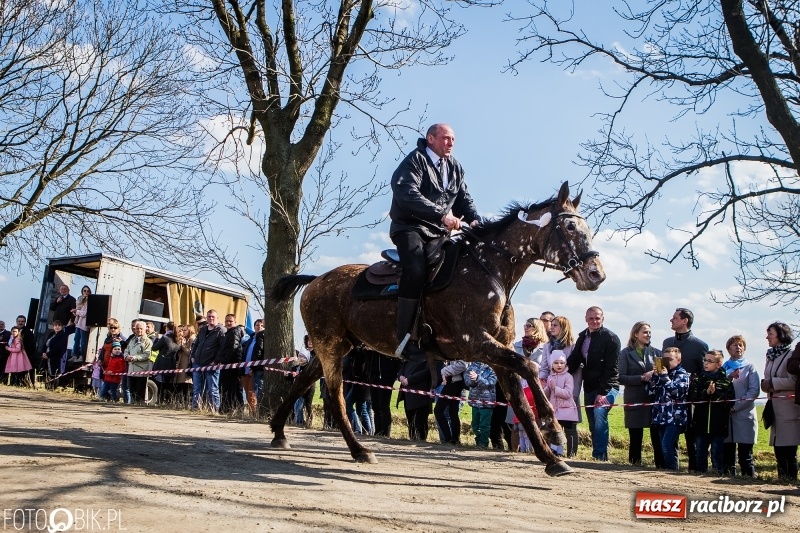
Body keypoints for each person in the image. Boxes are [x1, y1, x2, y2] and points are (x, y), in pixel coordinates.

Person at [389, 123, 480, 362]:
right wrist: (441, 214)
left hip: (439, 234)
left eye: (453, 139)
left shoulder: (455, 167)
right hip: (410, 228)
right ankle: (404, 339)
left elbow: (463, 199)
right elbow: (407, 194)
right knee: (416, 269)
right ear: (430, 139)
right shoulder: (414, 161)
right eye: (446, 138)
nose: (451, 143)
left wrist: (475, 220)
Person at [567, 306, 620, 461]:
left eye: (598, 318)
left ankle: (600, 456)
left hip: (608, 387)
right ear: (586, 319)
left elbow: (612, 368)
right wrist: (559, 373)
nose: (595, 321)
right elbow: (575, 359)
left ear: (603, 319)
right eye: (591, 318)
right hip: (589, 386)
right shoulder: (582, 337)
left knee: (599, 414)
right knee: (592, 423)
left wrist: (602, 392)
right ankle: (597, 455)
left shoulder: (611, 338)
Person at [662, 307, 709, 471]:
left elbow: (705, 372)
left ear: (684, 321)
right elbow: (662, 366)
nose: (671, 320)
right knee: (668, 439)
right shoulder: (667, 343)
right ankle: (670, 468)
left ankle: (695, 470)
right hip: (667, 400)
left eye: (674, 318)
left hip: (689, 400)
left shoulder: (699, 345)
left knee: (692, 438)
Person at [618, 321, 663, 466]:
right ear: (636, 334)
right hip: (634, 398)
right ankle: (634, 465)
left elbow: (662, 374)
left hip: (653, 399)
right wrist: (641, 378)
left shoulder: (657, 353)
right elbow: (620, 377)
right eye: (645, 332)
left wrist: (654, 372)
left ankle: (660, 465)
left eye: (649, 332)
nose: (648, 335)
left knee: (657, 437)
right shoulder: (625, 353)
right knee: (635, 437)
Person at [761, 321, 800, 480]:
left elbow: (794, 381)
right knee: (778, 448)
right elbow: (768, 380)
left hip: (788, 409)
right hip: (774, 408)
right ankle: (782, 479)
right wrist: (765, 385)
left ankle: (790, 480)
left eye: (770, 333)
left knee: (789, 449)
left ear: (780, 335)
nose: (767, 337)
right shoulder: (770, 355)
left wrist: (772, 384)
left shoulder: (791, 356)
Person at [689, 349, 735, 473]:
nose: (706, 363)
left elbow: (730, 402)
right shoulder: (698, 380)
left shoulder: (725, 382)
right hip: (700, 425)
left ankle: (718, 474)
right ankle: (700, 477)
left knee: (717, 454)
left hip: (718, 427)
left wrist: (715, 394)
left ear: (719, 364)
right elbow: (693, 399)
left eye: (710, 361)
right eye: (705, 360)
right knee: (700, 454)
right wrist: (706, 393)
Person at [539, 315, 578, 456]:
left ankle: (572, 454)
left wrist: (573, 390)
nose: (551, 327)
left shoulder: (573, 346)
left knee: (570, 424)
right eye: (552, 325)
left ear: (564, 328)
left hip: (568, 388)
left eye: (555, 325)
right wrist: (542, 379)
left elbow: (576, 368)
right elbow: (544, 366)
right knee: (554, 422)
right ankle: (555, 452)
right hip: (552, 388)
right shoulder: (547, 346)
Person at [646, 347, 690, 471]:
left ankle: (671, 470)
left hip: (675, 417)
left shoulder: (682, 375)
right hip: (661, 416)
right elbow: (650, 392)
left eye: (670, 359)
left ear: (678, 360)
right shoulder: (660, 374)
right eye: (664, 359)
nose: (667, 362)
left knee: (667, 445)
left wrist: (665, 377)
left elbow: (677, 393)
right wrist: (654, 376)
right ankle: (670, 469)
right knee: (666, 446)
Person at [722, 335, 759, 477]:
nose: (738, 347)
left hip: (744, 415)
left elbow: (753, 391)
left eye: (741, 345)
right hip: (726, 417)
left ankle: (749, 480)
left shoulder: (750, 367)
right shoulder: (723, 368)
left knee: (745, 455)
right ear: (728, 349)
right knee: (727, 455)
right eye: (734, 345)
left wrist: (736, 406)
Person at [190, 310, 226, 412]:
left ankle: (215, 410)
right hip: (197, 362)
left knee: (212, 389)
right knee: (197, 388)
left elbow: (222, 348)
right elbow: (196, 344)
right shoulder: (203, 329)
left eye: (213, 317)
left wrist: (215, 361)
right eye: (209, 316)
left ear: (217, 318)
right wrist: (193, 356)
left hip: (211, 365)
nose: (211, 318)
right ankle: (196, 408)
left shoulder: (221, 330)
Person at [544, 353, 578, 456]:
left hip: (568, 410)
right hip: (555, 410)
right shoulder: (550, 377)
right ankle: (557, 453)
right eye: (556, 363)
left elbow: (568, 394)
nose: (559, 365)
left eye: (562, 363)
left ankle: (571, 454)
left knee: (570, 432)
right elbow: (548, 394)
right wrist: (545, 388)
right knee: (555, 433)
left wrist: (555, 388)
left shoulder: (568, 377)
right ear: (551, 364)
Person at [397, 358, 437, 441]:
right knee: (410, 419)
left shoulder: (427, 357)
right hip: (407, 393)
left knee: (420, 420)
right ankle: (412, 437)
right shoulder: (410, 355)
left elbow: (428, 371)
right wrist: (400, 377)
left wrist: (410, 379)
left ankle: (421, 440)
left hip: (421, 394)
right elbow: (402, 367)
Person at [463, 360, 497, 449]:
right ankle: (478, 442)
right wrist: (472, 380)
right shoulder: (472, 366)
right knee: (475, 425)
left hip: (487, 402)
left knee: (484, 425)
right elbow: (467, 382)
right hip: (475, 401)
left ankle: (483, 443)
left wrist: (478, 378)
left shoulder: (492, 368)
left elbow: (491, 383)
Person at [218, 314, 244, 414]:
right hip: (228, 365)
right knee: (228, 388)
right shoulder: (228, 333)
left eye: (230, 321)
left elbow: (233, 348)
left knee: (234, 389)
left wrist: (223, 360)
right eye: (227, 321)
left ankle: (233, 409)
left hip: (232, 365)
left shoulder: (235, 332)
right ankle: (227, 408)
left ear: (235, 322)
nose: (228, 323)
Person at [436, 359, 467, 444]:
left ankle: (449, 438)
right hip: (453, 383)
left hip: (454, 383)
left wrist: (445, 370)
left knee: (438, 410)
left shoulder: (459, 350)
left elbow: (463, 365)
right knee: (452, 412)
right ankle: (454, 439)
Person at [124, 321, 153, 403]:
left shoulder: (147, 341)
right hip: (131, 369)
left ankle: (139, 406)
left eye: (141, 329)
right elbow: (127, 350)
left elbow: (147, 355)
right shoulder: (132, 340)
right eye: (137, 328)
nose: (139, 330)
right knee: (132, 390)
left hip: (141, 370)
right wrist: (126, 356)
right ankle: (132, 405)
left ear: (145, 330)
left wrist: (134, 358)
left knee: (140, 391)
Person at [240, 319, 265, 416]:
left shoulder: (263, 338)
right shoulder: (249, 340)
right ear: (254, 327)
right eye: (257, 325)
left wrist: (253, 368)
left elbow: (259, 354)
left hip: (255, 370)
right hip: (245, 369)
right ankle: (251, 413)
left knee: (253, 393)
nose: (259, 327)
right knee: (247, 394)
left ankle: (255, 414)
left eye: (261, 325)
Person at [41, 320, 76, 388]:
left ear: (62, 327)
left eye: (59, 325)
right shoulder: (51, 334)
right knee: (48, 372)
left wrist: (48, 354)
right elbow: (45, 344)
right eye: (55, 325)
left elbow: (58, 347)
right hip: (48, 357)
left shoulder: (63, 335)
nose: (57, 327)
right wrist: (43, 353)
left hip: (57, 357)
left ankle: (54, 386)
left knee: (55, 373)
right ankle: (48, 386)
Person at [151, 322, 179, 404]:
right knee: (168, 384)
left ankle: (159, 400)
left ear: (167, 328)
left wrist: (156, 338)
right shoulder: (177, 339)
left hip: (161, 364)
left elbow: (154, 348)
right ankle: (167, 401)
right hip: (171, 364)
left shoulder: (165, 338)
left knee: (160, 384)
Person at [68, 285, 91, 363]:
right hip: (78, 323)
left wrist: (76, 311)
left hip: (84, 324)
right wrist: (75, 312)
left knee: (83, 341)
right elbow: (79, 312)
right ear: (82, 291)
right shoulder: (79, 300)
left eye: (88, 291)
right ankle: (74, 355)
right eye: (85, 291)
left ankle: (82, 356)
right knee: (76, 339)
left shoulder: (90, 301)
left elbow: (86, 313)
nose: (86, 292)